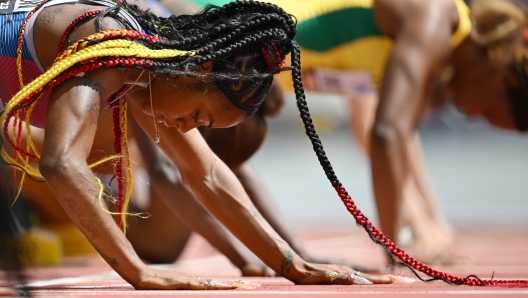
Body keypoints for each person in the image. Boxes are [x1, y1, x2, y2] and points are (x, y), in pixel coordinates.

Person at [0, 0, 391, 291]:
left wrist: (291, 264)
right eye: (200, 116)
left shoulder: (146, 66)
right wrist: (138, 271)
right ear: (200, 69)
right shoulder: (111, 47)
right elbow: (61, 163)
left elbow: (205, 172)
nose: (190, 128)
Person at [182, 0, 528, 265]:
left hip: (232, 74)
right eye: (487, 112)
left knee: (167, 231)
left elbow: (400, 135)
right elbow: (385, 133)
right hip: (211, 25)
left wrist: (429, 223)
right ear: (504, 78)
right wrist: (395, 248)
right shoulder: (434, 16)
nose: (470, 115)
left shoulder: (437, 47)